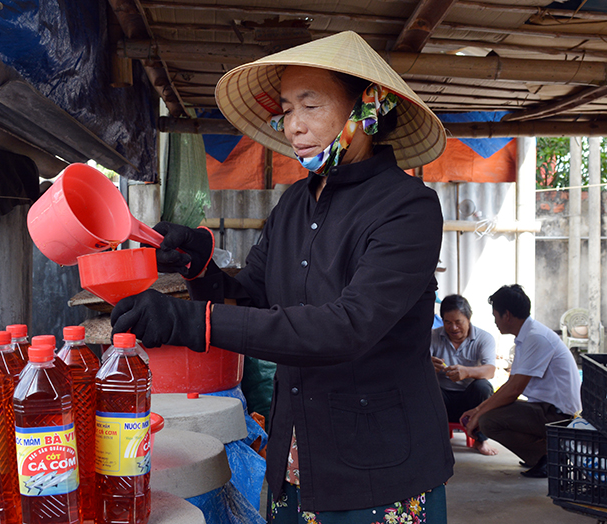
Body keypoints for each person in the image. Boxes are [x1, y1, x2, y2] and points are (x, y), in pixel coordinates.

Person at [111, 31, 454, 522]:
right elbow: (252, 300)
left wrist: (191, 322)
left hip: (380, 471)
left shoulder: (408, 207)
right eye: (287, 110)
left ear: (368, 108)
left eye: (310, 106)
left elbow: (347, 327)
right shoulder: (295, 201)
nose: (294, 126)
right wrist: (200, 264)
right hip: (294, 460)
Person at [460, 284, 581, 478]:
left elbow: (514, 389)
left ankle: (550, 456)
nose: (495, 321)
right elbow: (510, 384)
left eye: (495, 316)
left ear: (507, 315)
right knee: (487, 414)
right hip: (544, 409)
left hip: (559, 416)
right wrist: (477, 409)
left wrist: (479, 414)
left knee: (488, 421)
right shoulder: (526, 337)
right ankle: (544, 454)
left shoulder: (536, 337)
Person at [431, 294, 498, 456]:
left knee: (483, 386)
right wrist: (428, 367)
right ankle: (432, 439)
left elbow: (490, 370)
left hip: (470, 402)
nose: (453, 328)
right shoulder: (432, 336)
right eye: (448, 322)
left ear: (468, 319)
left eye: (458, 322)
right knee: (424, 386)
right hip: (442, 400)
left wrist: (467, 372)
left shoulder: (484, 338)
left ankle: (480, 440)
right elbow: (416, 369)